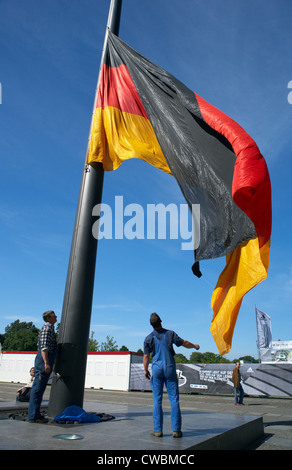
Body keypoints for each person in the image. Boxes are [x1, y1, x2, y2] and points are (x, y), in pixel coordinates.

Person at [143, 312, 200, 438]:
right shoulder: (170, 334)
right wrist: (195, 346)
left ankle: (157, 430)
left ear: (151, 325)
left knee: (157, 400)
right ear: (161, 321)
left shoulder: (148, 338)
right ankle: (176, 430)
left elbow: (146, 356)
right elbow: (184, 343)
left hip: (157, 369)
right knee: (174, 399)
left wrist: (146, 370)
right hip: (169, 368)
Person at [28, 310, 58, 423]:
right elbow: (44, 347)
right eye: (54, 315)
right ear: (49, 318)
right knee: (38, 388)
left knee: (40, 388)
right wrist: (46, 362)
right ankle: (33, 415)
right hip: (44, 360)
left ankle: (35, 414)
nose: (56, 317)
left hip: (46, 359)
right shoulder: (47, 328)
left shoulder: (50, 328)